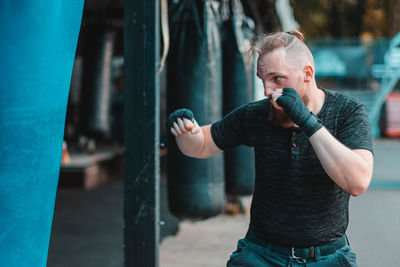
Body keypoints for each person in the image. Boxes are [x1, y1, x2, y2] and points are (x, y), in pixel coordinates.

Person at [166, 30, 373, 266]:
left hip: (327, 257)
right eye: (262, 80)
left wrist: (306, 120)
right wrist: (185, 130)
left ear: (307, 73)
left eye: (277, 79)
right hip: (261, 255)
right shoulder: (257, 114)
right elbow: (201, 144)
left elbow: (358, 181)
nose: (267, 90)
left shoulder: (348, 111)